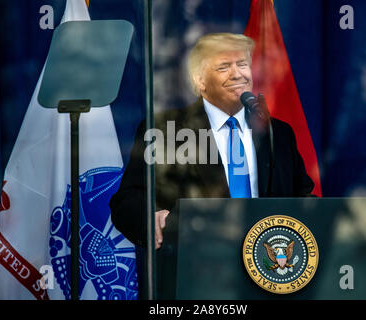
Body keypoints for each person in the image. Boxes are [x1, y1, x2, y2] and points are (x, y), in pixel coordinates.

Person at [109, 33, 314, 249]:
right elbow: (127, 201)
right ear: (200, 80)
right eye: (224, 67)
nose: (237, 74)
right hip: (197, 264)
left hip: (267, 266)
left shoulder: (277, 133)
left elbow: (302, 196)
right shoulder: (166, 130)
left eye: (242, 64)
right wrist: (151, 218)